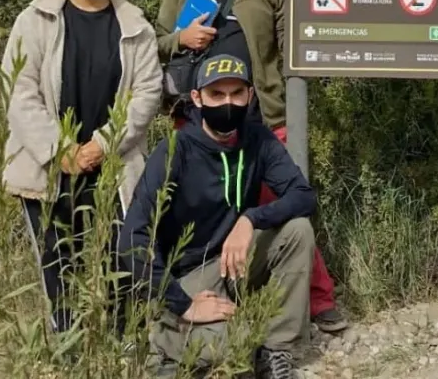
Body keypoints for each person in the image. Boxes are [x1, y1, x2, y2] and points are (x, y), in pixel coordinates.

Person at [155, 0, 348, 333]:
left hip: (261, 116)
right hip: (197, 116)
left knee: (283, 206)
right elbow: (157, 41)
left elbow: (291, 47)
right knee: (199, 211)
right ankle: (203, 295)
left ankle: (319, 300)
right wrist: (182, 38)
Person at [1, 0, 162, 333]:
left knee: (121, 254)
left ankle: (122, 336)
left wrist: (100, 146)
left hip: (112, 160)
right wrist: (61, 150)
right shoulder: (35, 19)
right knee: (58, 258)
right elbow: (18, 90)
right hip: (50, 162)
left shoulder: (134, 25)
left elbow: (147, 92)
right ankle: (67, 340)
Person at [120, 54, 316, 377]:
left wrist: (251, 218)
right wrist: (184, 303)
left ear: (250, 95)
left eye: (237, 93)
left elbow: (303, 195)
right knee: (236, 344)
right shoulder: (176, 150)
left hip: (235, 263)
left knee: (298, 230)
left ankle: (277, 352)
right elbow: (133, 236)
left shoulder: (257, 139)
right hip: (188, 274)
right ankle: (163, 337)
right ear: (197, 98)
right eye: (217, 94)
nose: (228, 103)